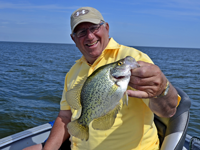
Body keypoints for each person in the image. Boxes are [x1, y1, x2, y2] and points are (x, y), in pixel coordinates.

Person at [24, 7, 181, 150]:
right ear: (73, 39)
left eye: (94, 28)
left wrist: (162, 90)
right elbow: (65, 116)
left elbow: (168, 111)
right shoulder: (73, 71)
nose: (90, 36)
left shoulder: (134, 59)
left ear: (106, 28)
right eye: (81, 32)